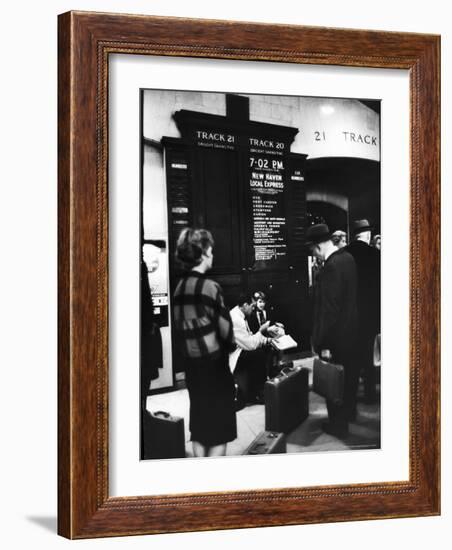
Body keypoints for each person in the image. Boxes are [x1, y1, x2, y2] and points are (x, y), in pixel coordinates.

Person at [173, 228, 237, 457]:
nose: (212, 254)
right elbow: (227, 333)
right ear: (203, 253)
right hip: (215, 369)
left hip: (192, 368)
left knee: (199, 426)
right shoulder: (210, 288)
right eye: (210, 249)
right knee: (220, 431)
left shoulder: (178, 289)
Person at [307, 223, 359, 437]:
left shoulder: (331, 267)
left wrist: (324, 344)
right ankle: (348, 414)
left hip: (335, 338)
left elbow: (329, 311)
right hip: (351, 333)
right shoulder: (348, 259)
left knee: (333, 382)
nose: (315, 257)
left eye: (313, 252)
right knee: (347, 380)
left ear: (318, 247)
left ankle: (338, 426)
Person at [346, 219, 381, 404]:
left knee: (351, 358)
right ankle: (369, 395)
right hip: (370, 316)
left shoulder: (345, 254)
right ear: (368, 236)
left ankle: (349, 399)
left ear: (354, 235)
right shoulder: (376, 255)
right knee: (368, 356)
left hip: (350, 316)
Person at [229, 294, 273, 406]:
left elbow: (249, 337)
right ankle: (258, 393)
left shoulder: (239, 314)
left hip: (240, 348)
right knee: (258, 355)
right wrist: (261, 331)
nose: (253, 308)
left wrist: (268, 340)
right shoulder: (236, 319)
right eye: (252, 306)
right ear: (245, 305)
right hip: (234, 355)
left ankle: (262, 388)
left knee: (264, 349)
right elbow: (250, 345)